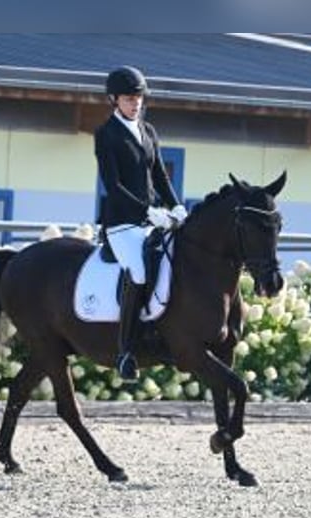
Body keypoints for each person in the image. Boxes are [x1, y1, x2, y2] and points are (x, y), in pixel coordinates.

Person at [94, 65, 188, 380]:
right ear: (114, 99)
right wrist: (147, 211)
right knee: (138, 270)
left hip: (152, 220)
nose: (136, 104)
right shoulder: (106, 134)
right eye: (129, 99)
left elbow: (160, 175)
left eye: (139, 98)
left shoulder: (148, 131)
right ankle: (125, 350)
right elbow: (113, 185)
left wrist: (176, 205)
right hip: (122, 224)